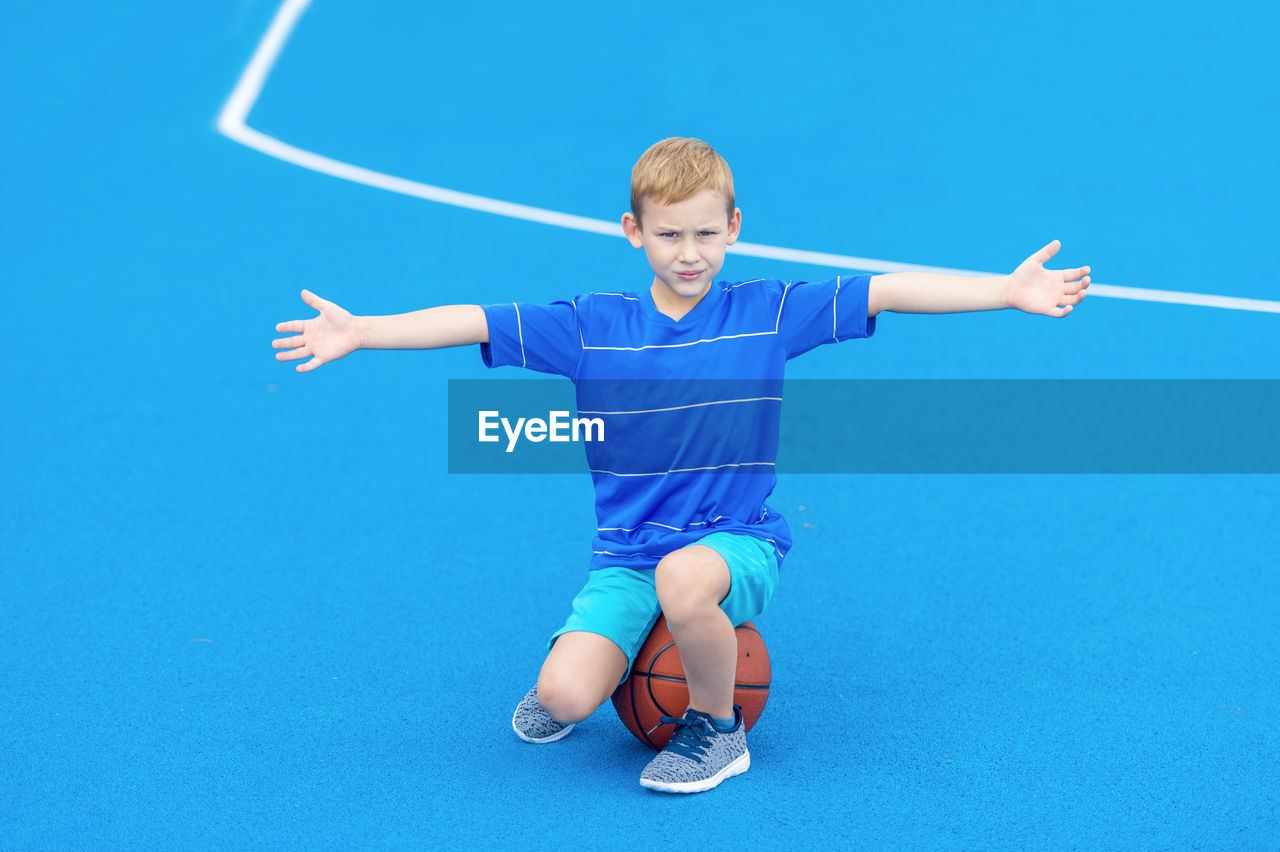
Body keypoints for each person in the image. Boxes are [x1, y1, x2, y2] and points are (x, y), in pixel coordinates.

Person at [272, 137, 1090, 794]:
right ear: (634, 231)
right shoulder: (591, 326)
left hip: (736, 542)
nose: (689, 252)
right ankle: (616, 652)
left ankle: (717, 732)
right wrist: (365, 330)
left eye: (706, 233)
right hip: (626, 558)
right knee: (562, 698)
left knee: (686, 582)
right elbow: (471, 318)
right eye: (668, 234)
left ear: (735, 226)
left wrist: (1002, 290)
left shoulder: (767, 312)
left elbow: (886, 291)